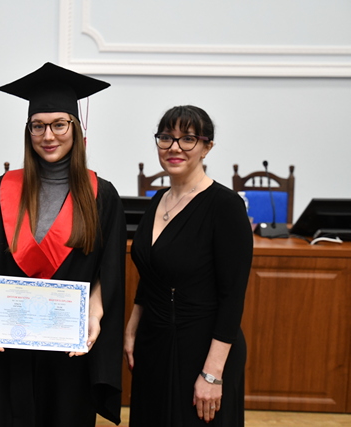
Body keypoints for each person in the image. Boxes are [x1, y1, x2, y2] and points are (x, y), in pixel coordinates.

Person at [0, 62, 126, 426]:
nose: (48, 135)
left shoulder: (101, 196)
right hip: (12, 349)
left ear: (76, 128)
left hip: (69, 354)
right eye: (38, 125)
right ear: (28, 131)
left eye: (59, 124)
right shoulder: (2, 190)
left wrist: (94, 316)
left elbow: (108, 272)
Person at [124, 105, 253, 426]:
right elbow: (151, 274)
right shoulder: (157, 200)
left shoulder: (225, 205)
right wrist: (132, 328)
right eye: (166, 138)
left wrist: (212, 374)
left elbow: (232, 297)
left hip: (203, 349)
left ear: (207, 147)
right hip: (154, 343)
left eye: (188, 139)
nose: (174, 147)